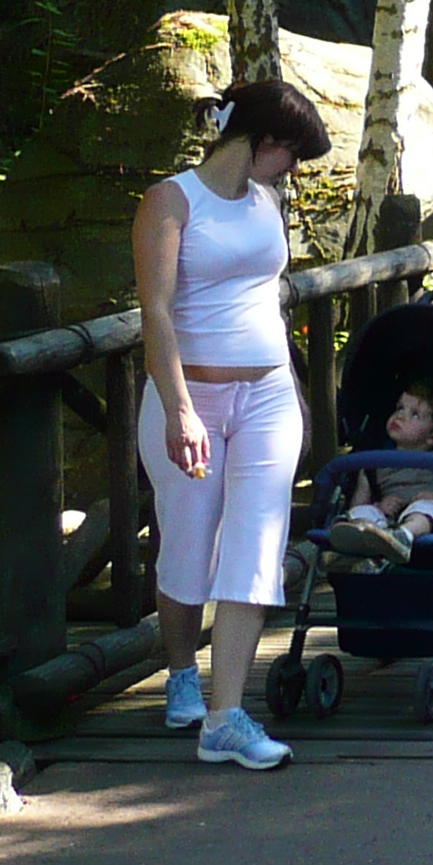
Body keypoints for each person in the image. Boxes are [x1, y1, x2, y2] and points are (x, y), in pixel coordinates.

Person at [133, 76, 332, 769]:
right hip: (192, 398)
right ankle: (184, 672)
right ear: (263, 140)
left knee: (257, 543)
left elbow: (265, 299)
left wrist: (293, 392)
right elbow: (155, 310)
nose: (295, 169)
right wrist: (180, 407)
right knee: (188, 549)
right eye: (292, 153)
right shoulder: (170, 200)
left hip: (267, 396)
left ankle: (227, 715)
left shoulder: (267, 201)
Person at [329, 382, 433, 565]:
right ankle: (360, 545)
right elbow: (357, 503)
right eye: (399, 408)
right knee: (362, 511)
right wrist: (379, 506)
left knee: (427, 508)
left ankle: (403, 536)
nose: (400, 416)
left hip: (426, 521)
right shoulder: (375, 463)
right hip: (386, 522)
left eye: (414, 414)